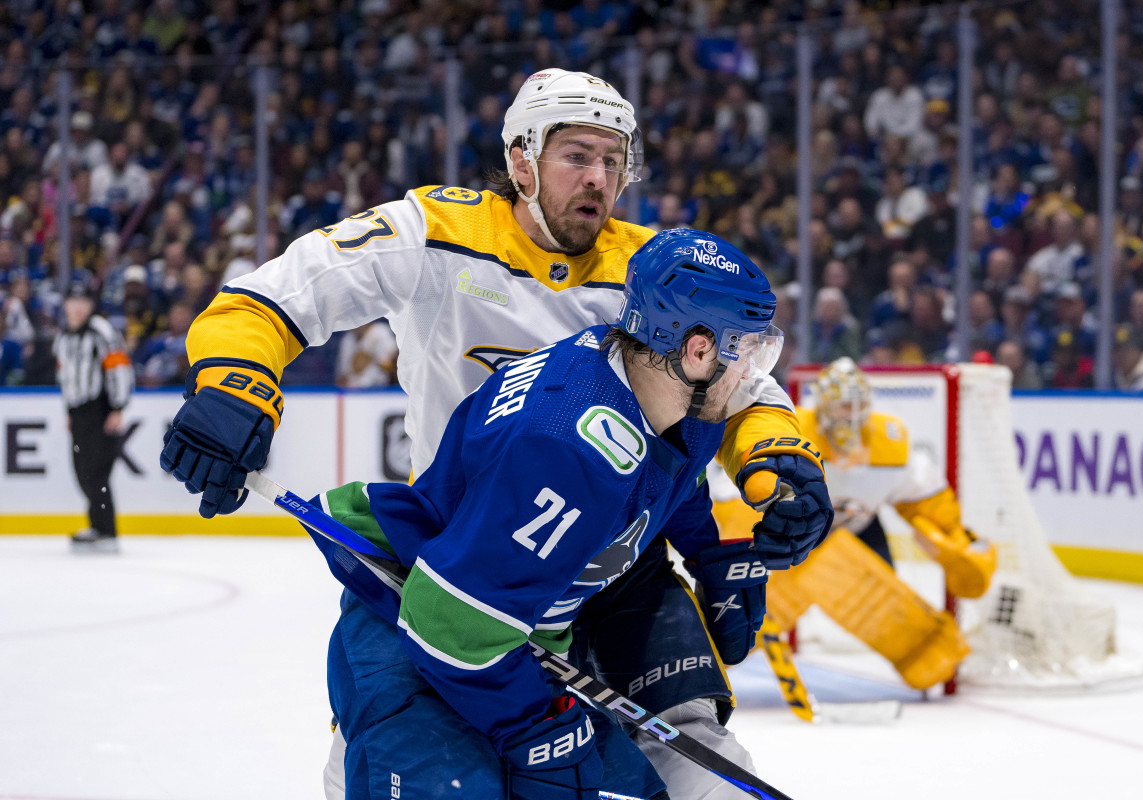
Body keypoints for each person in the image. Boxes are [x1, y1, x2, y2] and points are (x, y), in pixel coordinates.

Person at [158, 69, 833, 799]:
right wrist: (234, 382)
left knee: (700, 757)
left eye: (614, 160)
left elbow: (735, 390)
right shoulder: (435, 233)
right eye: (577, 155)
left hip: (615, 565)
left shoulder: (648, 265)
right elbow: (274, 296)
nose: (599, 178)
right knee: (407, 760)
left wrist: (778, 466)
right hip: (472, 558)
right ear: (521, 160)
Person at [300, 228, 789, 799]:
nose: (752, 372)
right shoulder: (566, 449)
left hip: (506, 646)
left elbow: (672, 477)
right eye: (748, 349)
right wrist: (535, 728)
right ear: (699, 348)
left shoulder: (668, 395)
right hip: (413, 634)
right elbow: (448, 629)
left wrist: (709, 554)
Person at [713, 358, 997, 691]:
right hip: (789, 538)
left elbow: (927, 501)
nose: (850, 415)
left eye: (858, 406)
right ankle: (709, 656)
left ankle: (928, 653)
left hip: (856, 531)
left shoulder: (887, 447)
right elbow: (728, 498)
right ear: (823, 407)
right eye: (842, 406)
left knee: (882, 597)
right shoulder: (788, 431)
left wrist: (955, 542)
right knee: (743, 616)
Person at [55, 283, 133, 553]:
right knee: (82, 471)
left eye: (83, 301)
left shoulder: (101, 332)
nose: (77, 307)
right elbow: (65, 376)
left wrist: (117, 408)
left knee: (97, 472)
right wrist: (69, 411)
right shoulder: (63, 336)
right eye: (72, 301)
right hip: (78, 412)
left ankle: (105, 530)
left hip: (99, 410)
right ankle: (97, 526)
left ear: (90, 305)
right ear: (65, 305)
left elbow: (119, 369)